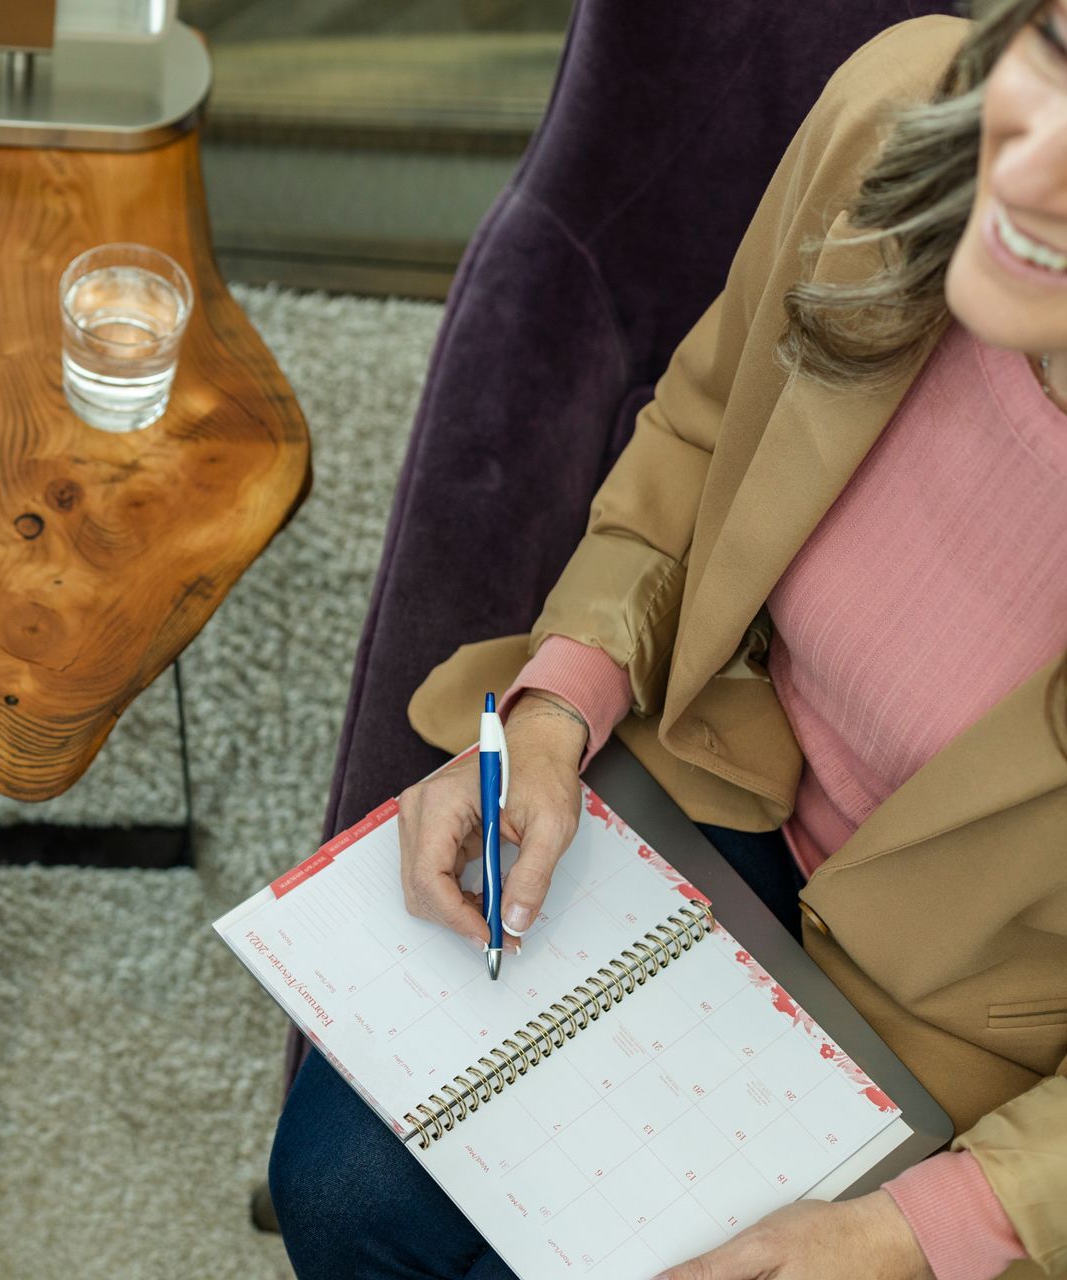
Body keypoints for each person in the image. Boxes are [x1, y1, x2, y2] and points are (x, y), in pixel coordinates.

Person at [271, 2, 1067, 1277]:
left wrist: (914, 1228)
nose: (1023, 169)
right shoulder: (905, 113)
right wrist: (556, 703)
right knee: (347, 1185)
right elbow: (700, 432)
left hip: (976, 1041)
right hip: (721, 764)